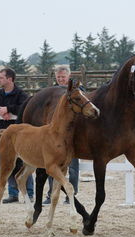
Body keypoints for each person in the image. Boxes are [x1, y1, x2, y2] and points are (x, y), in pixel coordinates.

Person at [0, 68, 34, 203]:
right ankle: (13, 194)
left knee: (24, 163)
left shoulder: (21, 94)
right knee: (8, 163)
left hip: (19, 135)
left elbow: (25, 107)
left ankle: (29, 193)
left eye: (1, 78)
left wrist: (9, 109)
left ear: (10, 79)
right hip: (5, 134)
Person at [43, 65, 81, 205]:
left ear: (68, 77)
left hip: (71, 134)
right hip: (54, 135)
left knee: (72, 166)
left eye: (63, 77)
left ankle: (72, 195)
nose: (60, 80)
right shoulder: (51, 92)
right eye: (58, 77)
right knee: (51, 164)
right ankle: (51, 194)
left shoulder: (77, 91)